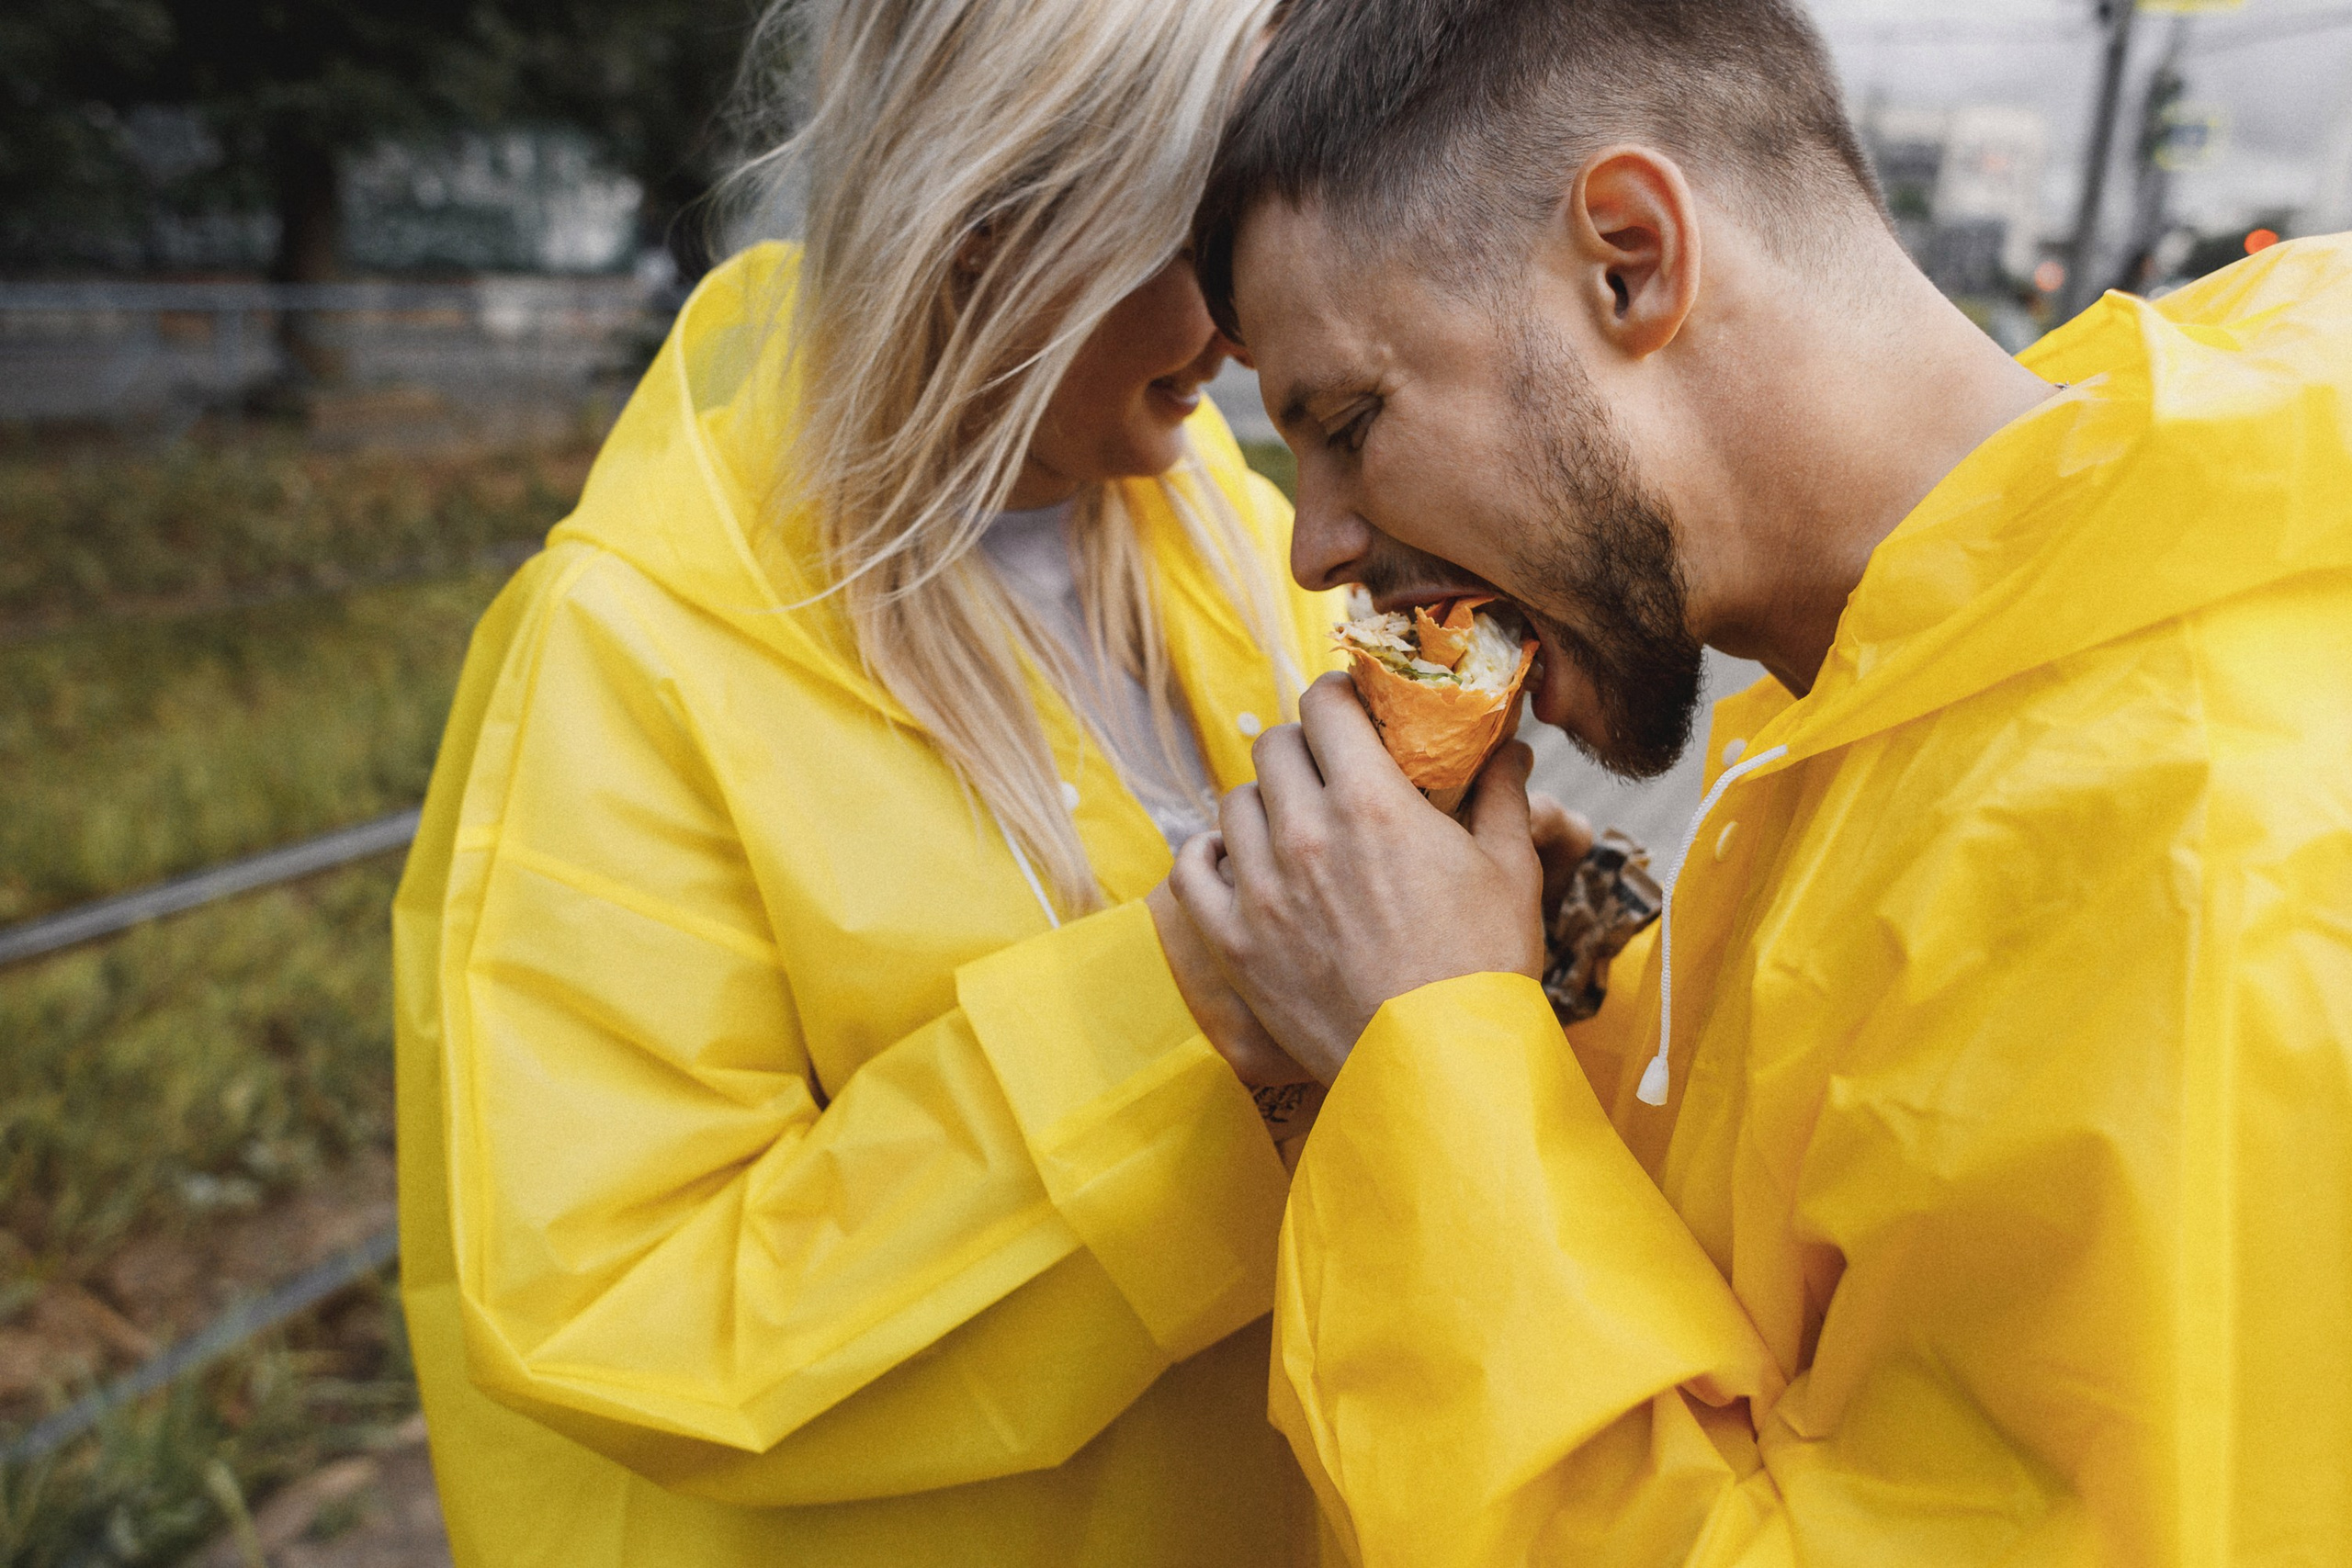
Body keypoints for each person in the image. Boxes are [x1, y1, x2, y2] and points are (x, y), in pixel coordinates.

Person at [1171, 0, 2352, 1562]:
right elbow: (1762, 1315)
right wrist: (1514, 996)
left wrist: (1421, 1059)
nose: (1315, 542)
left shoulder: (2188, 858)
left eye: (1350, 422)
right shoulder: (1896, 687)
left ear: (1630, 260)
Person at [391, 0, 1342, 1562]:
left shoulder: (1233, 535)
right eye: (1210, 230)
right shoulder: (637, 654)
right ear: (991, 217)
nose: (1252, 315)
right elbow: (624, 1306)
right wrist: (1200, 1001)